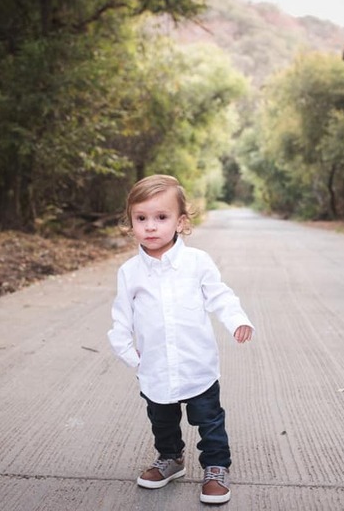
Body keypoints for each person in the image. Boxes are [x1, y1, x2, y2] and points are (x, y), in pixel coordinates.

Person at [108, 174, 254, 505]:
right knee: (162, 420)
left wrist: (237, 321)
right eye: (141, 218)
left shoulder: (197, 263)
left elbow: (220, 297)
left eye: (161, 217)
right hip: (155, 366)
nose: (150, 226)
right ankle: (170, 459)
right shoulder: (130, 272)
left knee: (210, 419)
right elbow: (121, 318)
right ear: (130, 223)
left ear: (180, 221)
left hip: (196, 363)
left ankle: (216, 467)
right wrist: (131, 356)